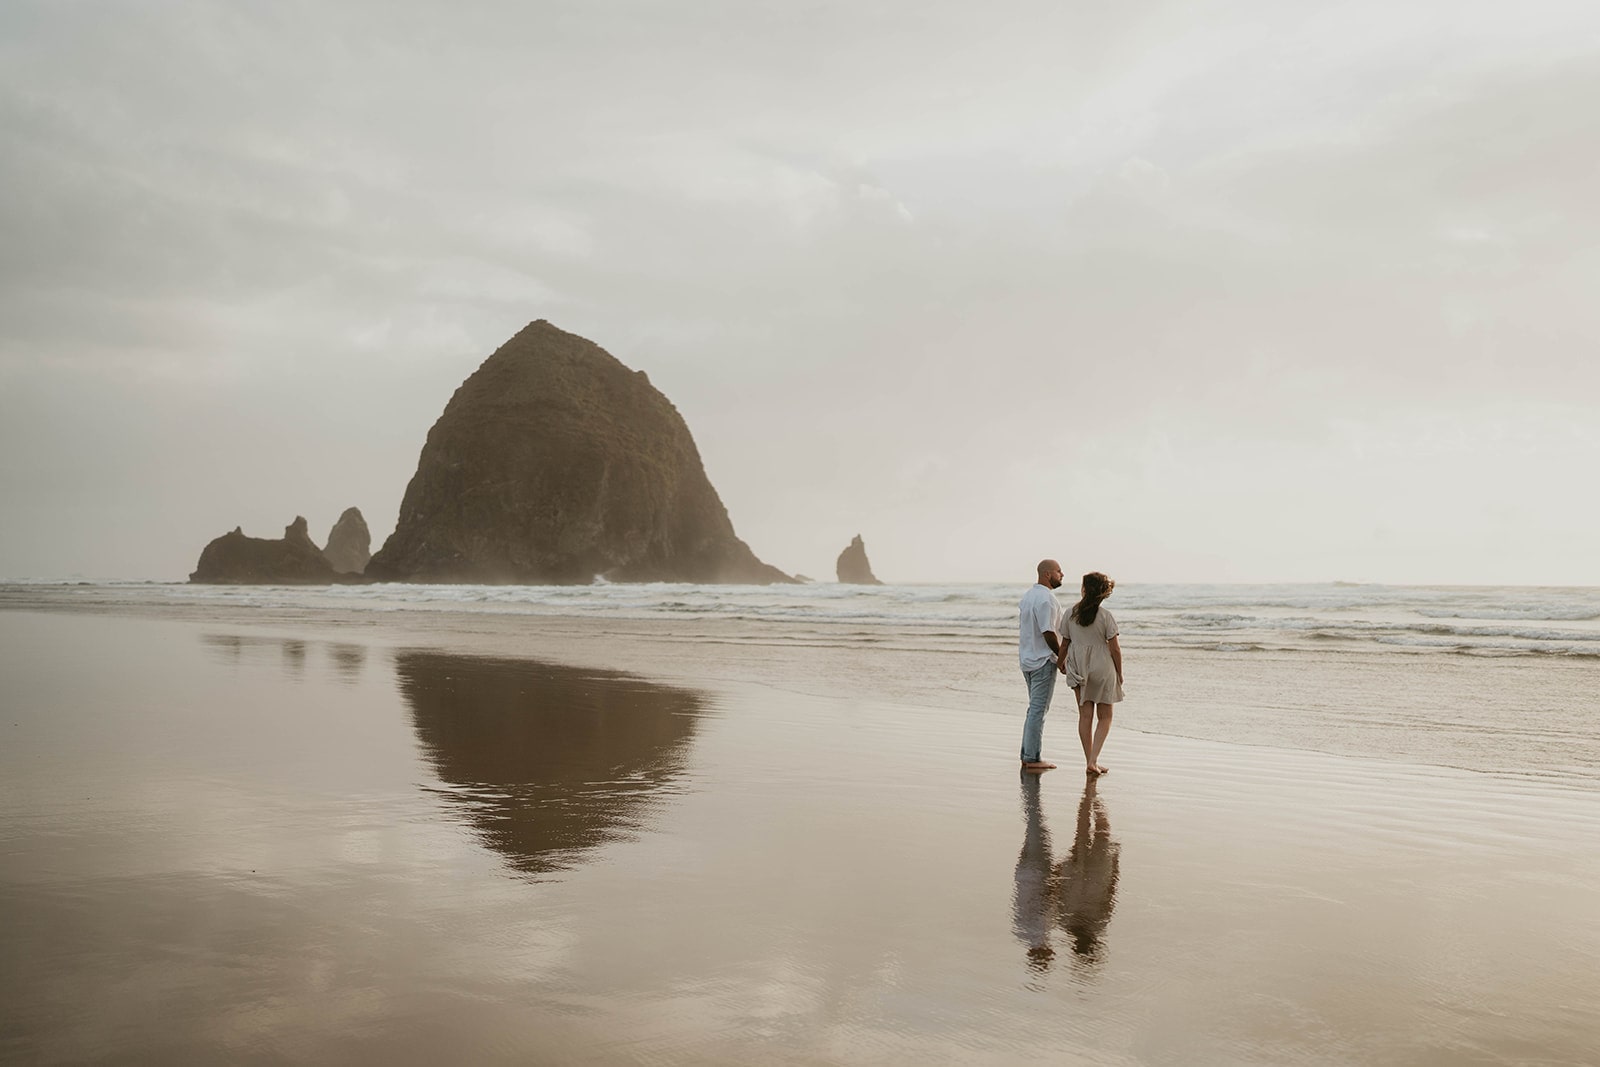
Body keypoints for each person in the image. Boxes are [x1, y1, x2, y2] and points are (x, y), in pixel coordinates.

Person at [1058, 571, 1123, 775]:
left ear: (1084, 589)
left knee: (1085, 715)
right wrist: (1119, 673)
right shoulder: (1105, 616)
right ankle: (1093, 760)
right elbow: (1115, 649)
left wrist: (1061, 663)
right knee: (1105, 716)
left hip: (1079, 666)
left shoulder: (1070, 613)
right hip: (1102, 666)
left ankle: (1090, 761)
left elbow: (1065, 642)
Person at [1018, 559, 1066, 772]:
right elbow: (1048, 632)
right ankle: (1032, 757)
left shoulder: (1029, 596)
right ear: (1047, 574)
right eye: (1058, 571)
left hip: (1027, 660)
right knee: (1038, 710)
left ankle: (1027, 754)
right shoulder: (1046, 599)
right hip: (1042, 661)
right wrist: (1062, 657)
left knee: (1034, 709)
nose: (1062, 574)